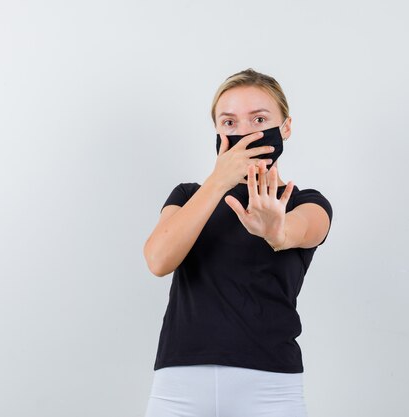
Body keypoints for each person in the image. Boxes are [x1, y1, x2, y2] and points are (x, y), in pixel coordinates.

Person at [142, 68, 333, 417]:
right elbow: (158, 260)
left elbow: (299, 229)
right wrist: (218, 182)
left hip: (271, 388)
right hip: (179, 385)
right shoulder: (188, 196)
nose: (244, 132)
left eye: (259, 118)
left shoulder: (305, 201)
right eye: (229, 123)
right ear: (217, 132)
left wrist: (275, 231)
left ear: (285, 127)